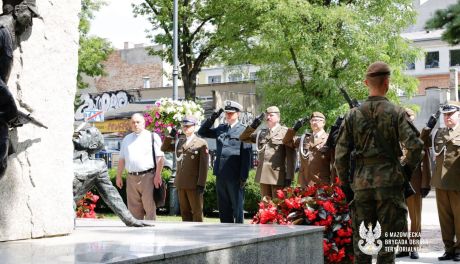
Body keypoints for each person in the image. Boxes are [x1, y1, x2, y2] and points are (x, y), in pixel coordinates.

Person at [335, 61, 423, 264]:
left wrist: (347, 184)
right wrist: (405, 172)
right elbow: (416, 147)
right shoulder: (397, 112)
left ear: (367, 83)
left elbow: (340, 156)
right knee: (388, 248)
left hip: (361, 185)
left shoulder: (352, 116)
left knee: (362, 247)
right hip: (391, 185)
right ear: (388, 83)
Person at [73, 126, 150, 227]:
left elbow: (111, 195)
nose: (81, 132)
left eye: (87, 132)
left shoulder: (96, 167)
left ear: (93, 145)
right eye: (83, 130)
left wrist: (130, 220)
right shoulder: (59, 151)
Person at [197, 100, 252, 223]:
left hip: (235, 175)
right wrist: (212, 118)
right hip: (221, 173)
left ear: (238, 114)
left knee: (237, 208)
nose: (228, 115)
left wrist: (243, 177)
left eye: (231, 113)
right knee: (223, 207)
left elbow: (246, 155)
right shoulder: (221, 128)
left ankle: (239, 234)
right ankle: (226, 231)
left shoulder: (244, 130)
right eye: (227, 113)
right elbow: (202, 132)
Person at [425, 101, 460, 261]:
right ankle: (449, 249)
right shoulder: (439, 133)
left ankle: (459, 249)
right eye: (445, 115)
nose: (447, 118)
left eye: (450, 114)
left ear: (458, 114)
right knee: (444, 219)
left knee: (459, 218)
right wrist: (428, 127)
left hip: (457, 183)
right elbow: (421, 143)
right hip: (440, 183)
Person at [395, 108, 432, 260]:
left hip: (414, 183)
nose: (407, 119)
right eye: (404, 117)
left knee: (414, 217)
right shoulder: (394, 136)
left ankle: (414, 247)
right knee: (399, 216)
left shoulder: (420, 136)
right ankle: (403, 246)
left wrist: (425, 183)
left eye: (409, 117)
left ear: (413, 118)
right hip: (398, 182)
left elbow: (426, 161)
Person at [239, 106, 296, 198]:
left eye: (271, 115)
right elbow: (243, 138)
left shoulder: (285, 132)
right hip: (263, 175)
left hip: (278, 176)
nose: (268, 117)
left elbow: (291, 156)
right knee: (265, 207)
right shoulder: (262, 133)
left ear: (278, 117)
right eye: (267, 115)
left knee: (278, 206)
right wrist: (254, 125)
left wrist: (289, 177)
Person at [116, 113, 164, 220]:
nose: (135, 124)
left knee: (149, 208)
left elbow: (160, 158)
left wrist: (158, 175)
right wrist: (118, 176)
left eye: (138, 122)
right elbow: (121, 159)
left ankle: (151, 234)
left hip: (148, 177)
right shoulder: (127, 139)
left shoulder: (152, 136)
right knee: (133, 210)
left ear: (144, 123)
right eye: (133, 122)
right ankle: (136, 234)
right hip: (131, 178)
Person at [161, 116, 209, 222]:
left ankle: (198, 236)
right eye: (184, 126)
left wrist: (201, 184)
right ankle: (187, 234)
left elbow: (204, 166)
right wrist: (170, 136)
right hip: (181, 183)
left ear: (194, 127)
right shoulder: (180, 142)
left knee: (197, 212)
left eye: (188, 126)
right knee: (184, 212)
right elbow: (163, 148)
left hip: (194, 184)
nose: (186, 128)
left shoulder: (201, 143)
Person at [283, 112, 336, 187]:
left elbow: (334, 163)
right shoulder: (304, 138)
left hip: (321, 183)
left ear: (323, 123)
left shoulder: (328, 139)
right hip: (304, 183)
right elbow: (286, 141)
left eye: (317, 120)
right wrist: (294, 129)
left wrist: (333, 184)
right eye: (312, 120)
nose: (314, 122)